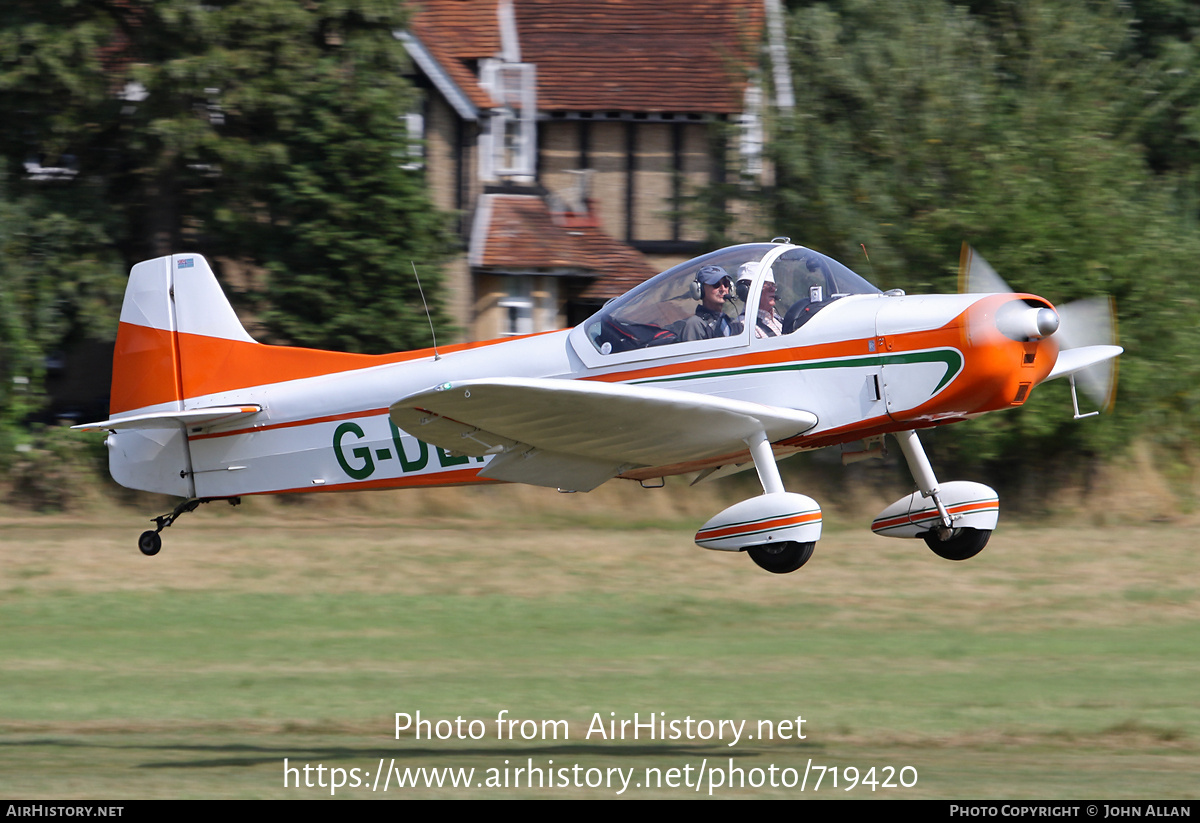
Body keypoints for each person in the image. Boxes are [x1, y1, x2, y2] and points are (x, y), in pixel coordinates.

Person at [680, 265, 735, 341]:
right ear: (700, 289)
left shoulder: (728, 321)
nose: (723, 289)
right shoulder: (695, 324)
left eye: (726, 284)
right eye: (716, 285)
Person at [736, 262, 783, 338]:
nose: (773, 289)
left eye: (773, 285)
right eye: (768, 285)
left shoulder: (777, 319)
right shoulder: (744, 327)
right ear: (747, 290)